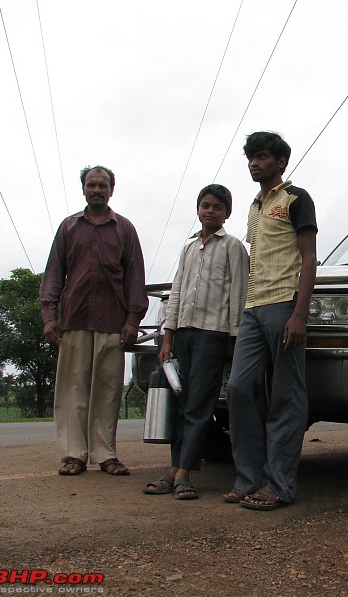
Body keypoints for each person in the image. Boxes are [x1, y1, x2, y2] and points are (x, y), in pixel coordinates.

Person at [225, 131, 318, 511]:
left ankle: (280, 486)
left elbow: (309, 258)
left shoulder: (297, 198)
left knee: (286, 397)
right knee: (238, 388)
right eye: (250, 157)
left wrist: (299, 313)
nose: (254, 163)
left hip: (285, 305)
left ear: (281, 162)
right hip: (253, 308)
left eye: (262, 157)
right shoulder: (253, 206)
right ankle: (249, 479)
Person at [40, 165, 148, 477]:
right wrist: (50, 316)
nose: (97, 189)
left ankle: (105, 454)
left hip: (114, 321)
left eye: (102, 185)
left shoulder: (124, 229)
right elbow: (54, 273)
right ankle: (73, 454)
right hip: (74, 319)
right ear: (84, 189)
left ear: (111, 190)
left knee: (108, 389)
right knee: (72, 388)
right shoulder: (69, 227)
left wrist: (132, 320)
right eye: (92, 184)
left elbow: (135, 278)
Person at [144, 184, 248, 500]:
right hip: (184, 334)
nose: (210, 211)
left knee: (199, 405)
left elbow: (238, 296)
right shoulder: (189, 249)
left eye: (217, 207)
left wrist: (233, 338)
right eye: (205, 205)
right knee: (180, 402)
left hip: (213, 334)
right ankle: (176, 468)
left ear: (227, 213)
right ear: (198, 209)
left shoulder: (233, 247)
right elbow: (177, 293)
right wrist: (167, 336)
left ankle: (184, 473)